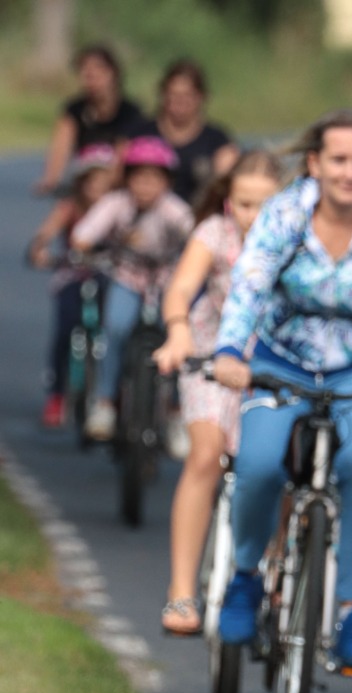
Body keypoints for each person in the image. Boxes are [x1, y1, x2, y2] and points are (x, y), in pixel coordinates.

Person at [212, 108, 352, 673]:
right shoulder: (285, 212)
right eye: (338, 160)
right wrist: (231, 351)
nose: (350, 172)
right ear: (315, 163)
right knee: (256, 463)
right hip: (284, 362)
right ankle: (246, 577)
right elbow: (249, 284)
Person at [152, 150, 284, 636]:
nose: (252, 216)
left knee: (283, 465)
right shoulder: (214, 234)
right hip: (210, 360)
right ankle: (182, 590)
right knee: (205, 456)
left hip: (273, 369)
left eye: (264, 206)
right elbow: (181, 286)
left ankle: (280, 566)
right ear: (229, 202)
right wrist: (178, 329)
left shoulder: (297, 240)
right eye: (244, 204)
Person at [70, 135, 194, 441]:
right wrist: (88, 244)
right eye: (139, 178)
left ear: (167, 182)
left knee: (177, 339)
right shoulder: (116, 204)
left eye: (154, 178)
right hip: (127, 277)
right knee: (115, 328)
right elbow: (83, 234)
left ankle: (178, 412)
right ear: (127, 179)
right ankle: (106, 402)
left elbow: (195, 236)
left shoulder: (174, 210)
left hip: (166, 281)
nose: (145, 186)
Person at [28, 144, 117, 427]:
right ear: (81, 182)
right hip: (72, 273)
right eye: (91, 180)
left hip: (109, 273)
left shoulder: (118, 206)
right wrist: (39, 249)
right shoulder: (69, 207)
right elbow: (46, 232)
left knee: (113, 328)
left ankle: (115, 394)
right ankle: (56, 394)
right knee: (65, 328)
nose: (97, 187)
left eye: (103, 181)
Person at [33, 44, 143, 195]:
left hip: (117, 182)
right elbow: (61, 145)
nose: (90, 76)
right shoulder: (75, 110)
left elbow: (124, 151)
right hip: (85, 178)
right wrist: (51, 178)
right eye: (84, 71)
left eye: (98, 70)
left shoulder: (129, 112)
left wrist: (109, 182)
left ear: (113, 74)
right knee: (65, 209)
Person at [132, 59, 240, 207]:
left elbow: (228, 185)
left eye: (187, 95)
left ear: (201, 97)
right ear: (163, 95)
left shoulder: (217, 141)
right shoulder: (141, 135)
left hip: (196, 215)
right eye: (174, 95)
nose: (180, 102)